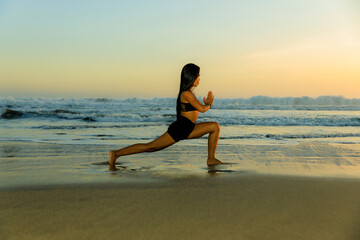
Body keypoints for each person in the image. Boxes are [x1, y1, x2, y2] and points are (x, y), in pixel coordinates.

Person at [109, 63, 223, 166]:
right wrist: (208, 104)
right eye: (198, 76)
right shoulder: (186, 93)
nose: (199, 79)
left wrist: (206, 105)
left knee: (214, 127)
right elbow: (202, 109)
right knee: (150, 147)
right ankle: (116, 153)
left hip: (188, 127)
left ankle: (211, 159)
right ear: (191, 77)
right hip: (181, 128)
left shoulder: (189, 93)